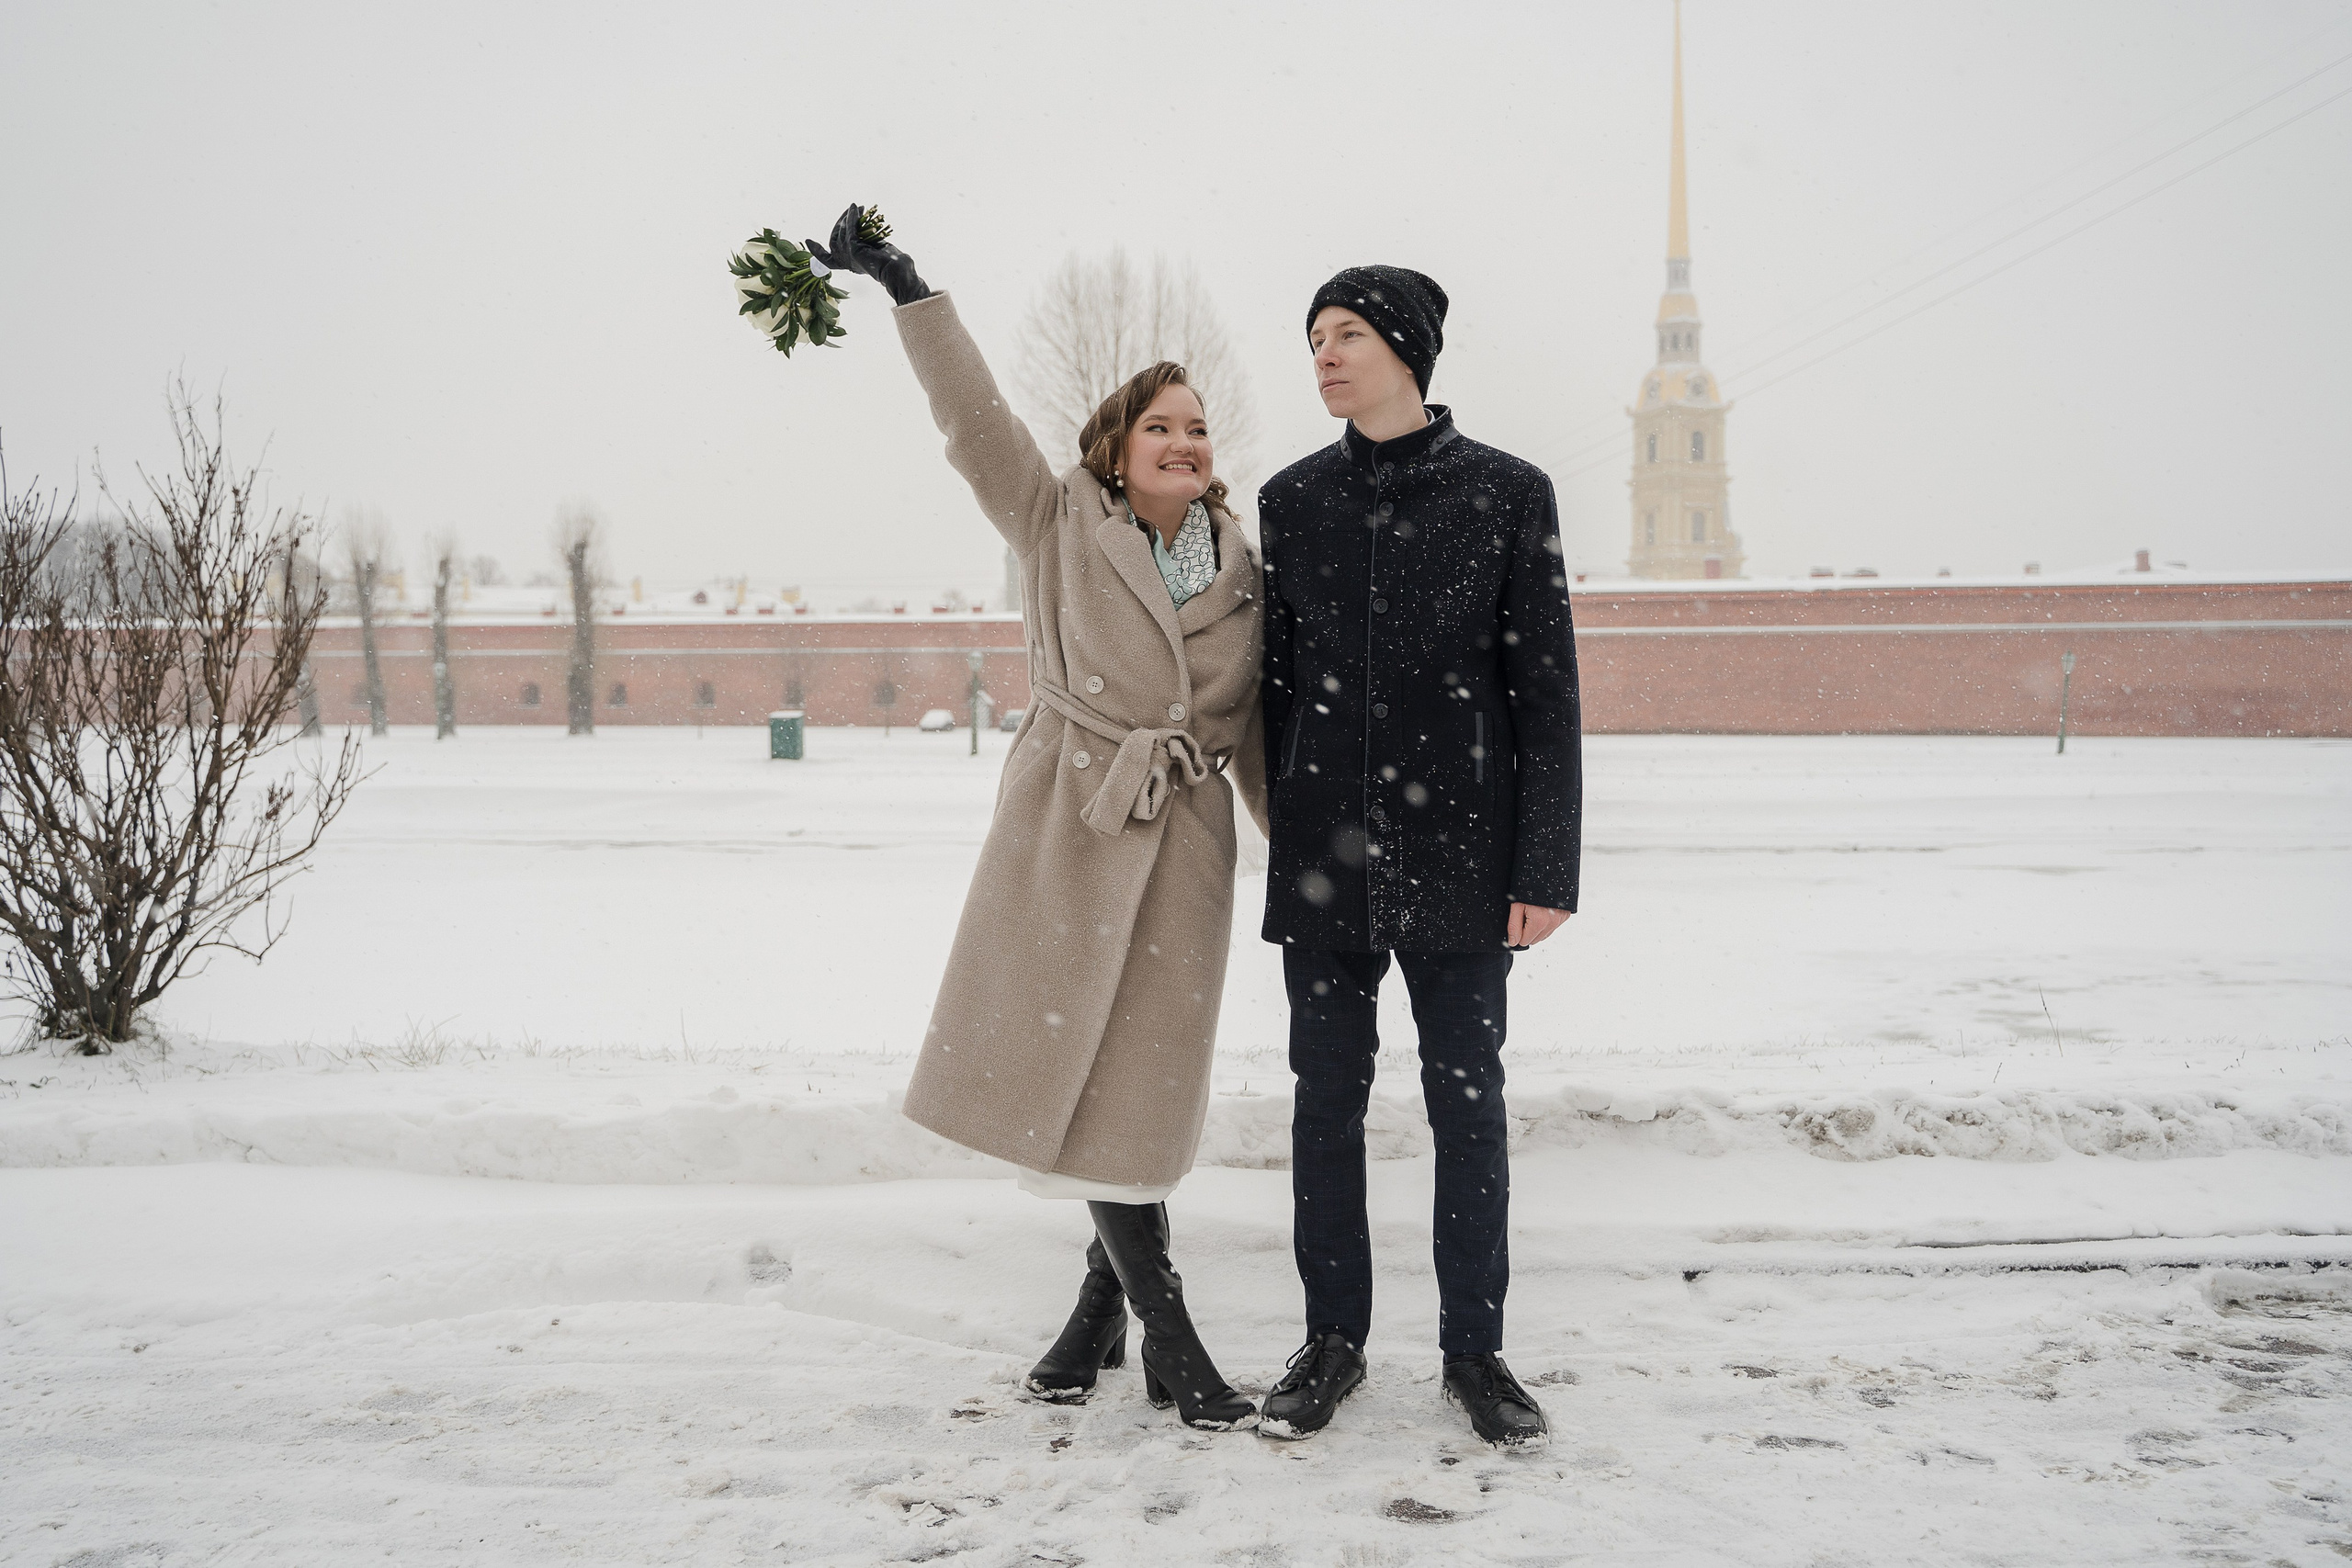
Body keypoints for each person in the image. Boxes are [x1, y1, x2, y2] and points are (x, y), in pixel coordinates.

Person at [808, 207, 1267, 1433]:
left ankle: (1093, 1319)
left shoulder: (1244, 571)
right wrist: (909, 290)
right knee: (1084, 1074)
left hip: (1182, 847)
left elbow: (1261, 736)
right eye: (1158, 423)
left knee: (1134, 1093)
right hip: (1071, 823)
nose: (1183, 438)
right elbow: (973, 426)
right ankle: (1172, 1342)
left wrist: (1319, 871)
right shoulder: (1056, 518)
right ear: (1114, 448)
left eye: (1197, 424)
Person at [1253, 265, 1581, 1448]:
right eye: (1314, 340)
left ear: (1406, 349)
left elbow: (1545, 694)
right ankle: (1331, 1341)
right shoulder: (1291, 499)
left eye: (1345, 335)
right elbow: (1278, 693)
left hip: (1466, 856)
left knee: (1467, 1106)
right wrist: (1288, 829)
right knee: (1323, 1106)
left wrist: (1544, 866)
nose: (1324, 356)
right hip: (1324, 859)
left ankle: (1475, 1355)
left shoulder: (1506, 494)